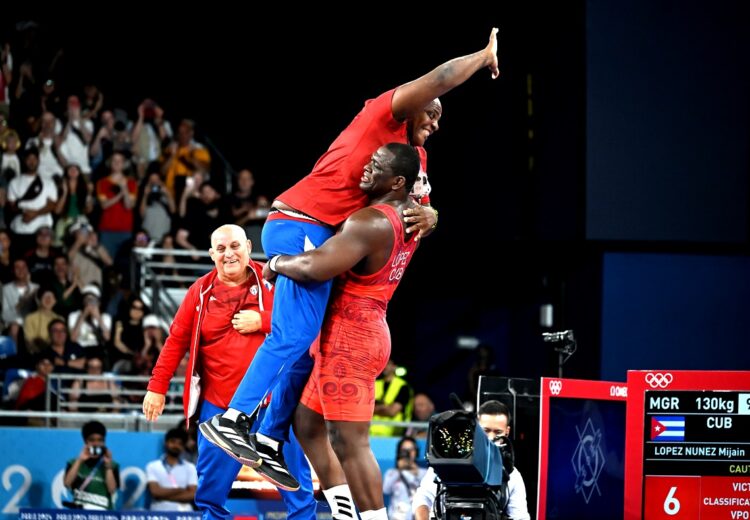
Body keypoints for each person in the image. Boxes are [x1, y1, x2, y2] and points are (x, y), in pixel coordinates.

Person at [202, 29, 500, 504]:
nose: (437, 122)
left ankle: (267, 438)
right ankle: (233, 420)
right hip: (301, 221)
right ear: (416, 103)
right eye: (433, 110)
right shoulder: (382, 114)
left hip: (350, 298)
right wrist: (483, 56)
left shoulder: (411, 160)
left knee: (309, 389)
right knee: (299, 344)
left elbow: (421, 208)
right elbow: (440, 78)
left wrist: (435, 213)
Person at [264, 143, 422, 519]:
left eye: (376, 165)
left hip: (350, 340)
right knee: (307, 424)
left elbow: (315, 267)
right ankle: (344, 512)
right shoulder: (413, 216)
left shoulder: (371, 221)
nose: (366, 168)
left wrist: (276, 261)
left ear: (398, 181)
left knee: (351, 444)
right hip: (364, 328)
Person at [141, 224, 315, 520]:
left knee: (295, 485)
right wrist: (156, 387)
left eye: (235, 246)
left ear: (248, 246)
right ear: (211, 255)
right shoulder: (200, 292)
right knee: (210, 491)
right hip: (219, 405)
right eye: (221, 249)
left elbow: (306, 322)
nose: (229, 254)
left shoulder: (277, 280)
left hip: (272, 405)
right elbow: (176, 341)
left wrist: (262, 320)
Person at [412, 400, 530, 520]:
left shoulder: (511, 475)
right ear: (477, 428)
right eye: (486, 431)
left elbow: (520, 517)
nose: (490, 438)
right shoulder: (447, 463)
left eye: (498, 432)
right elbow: (422, 498)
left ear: (507, 432)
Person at [63, 420, 120, 510]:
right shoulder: (73, 463)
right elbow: (67, 483)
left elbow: (112, 490)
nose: (96, 444)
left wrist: (108, 466)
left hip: (103, 514)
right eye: (92, 440)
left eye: (100, 440)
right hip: (80, 514)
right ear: (86, 441)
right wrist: (80, 460)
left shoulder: (113, 465)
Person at [146, 428, 198, 511]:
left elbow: (192, 494)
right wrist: (180, 490)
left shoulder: (190, 467)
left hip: (185, 515)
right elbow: (155, 492)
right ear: (166, 443)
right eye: (173, 442)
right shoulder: (153, 466)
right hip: (158, 514)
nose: (176, 446)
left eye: (180, 444)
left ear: (183, 447)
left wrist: (164, 496)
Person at [383, 436, 428, 520]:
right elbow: (386, 489)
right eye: (405, 450)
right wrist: (399, 470)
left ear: (416, 452)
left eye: (411, 449)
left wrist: (415, 471)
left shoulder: (424, 473)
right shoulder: (392, 473)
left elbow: (428, 492)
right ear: (400, 452)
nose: (408, 453)